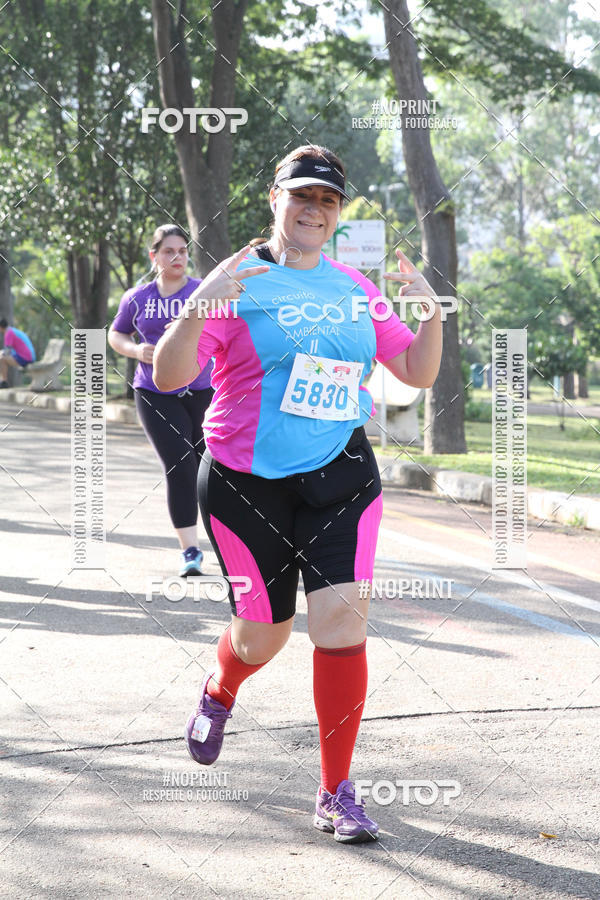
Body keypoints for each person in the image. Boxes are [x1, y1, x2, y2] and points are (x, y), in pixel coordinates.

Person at [153, 145, 442, 843]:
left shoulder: (353, 288)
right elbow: (168, 375)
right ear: (274, 199)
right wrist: (204, 297)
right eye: (302, 197)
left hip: (341, 475)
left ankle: (336, 791)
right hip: (245, 486)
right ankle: (221, 691)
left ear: (337, 215)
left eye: (328, 202)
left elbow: (415, 371)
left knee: (342, 626)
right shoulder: (240, 283)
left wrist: (431, 318)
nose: (314, 210)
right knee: (262, 637)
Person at [108, 224, 214, 577]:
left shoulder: (203, 292)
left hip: (203, 391)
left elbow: (226, 330)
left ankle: (233, 549)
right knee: (180, 467)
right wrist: (137, 349)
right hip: (155, 394)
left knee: (213, 471)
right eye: (169, 251)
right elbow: (116, 333)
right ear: (154, 256)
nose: (177, 257)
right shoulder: (136, 297)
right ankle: (191, 552)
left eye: (183, 251)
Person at [0, 319, 36, 387]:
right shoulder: (12, 330)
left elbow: (7, 352)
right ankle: (3, 381)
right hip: (28, 357)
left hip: (25, 358)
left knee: (1, 359)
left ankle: (4, 382)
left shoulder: (8, 333)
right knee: (1, 356)